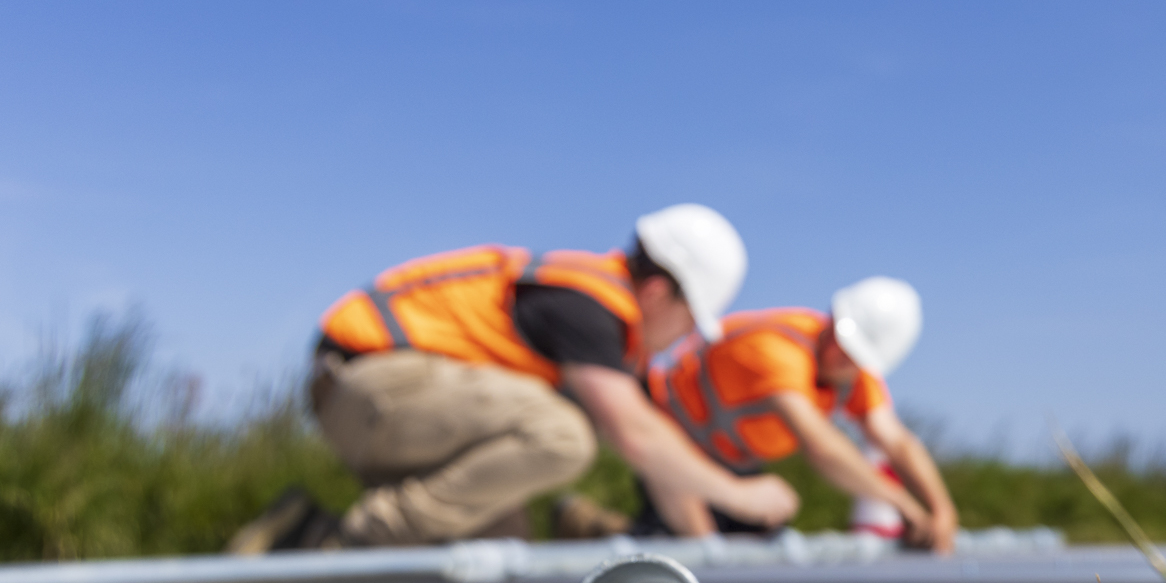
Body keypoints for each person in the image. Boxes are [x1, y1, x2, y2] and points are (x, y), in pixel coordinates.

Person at [238, 205, 799, 551]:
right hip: (367, 385)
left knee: (504, 552)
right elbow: (638, 437)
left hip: (395, 406)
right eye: (686, 320)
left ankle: (303, 534)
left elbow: (663, 463)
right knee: (563, 436)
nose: (684, 339)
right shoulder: (588, 303)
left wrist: (707, 554)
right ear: (657, 294)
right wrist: (743, 497)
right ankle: (353, 538)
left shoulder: (612, 331)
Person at [643, 276, 958, 552]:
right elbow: (822, 446)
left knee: (761, 527)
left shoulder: (855, 376)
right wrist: (901, 502)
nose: (837, 354)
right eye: (838, 336)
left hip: (728, 461)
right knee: (700, 552)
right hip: (664, 439)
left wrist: (941, 511)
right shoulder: (777, 350)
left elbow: (896, 440)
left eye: (852, 355)